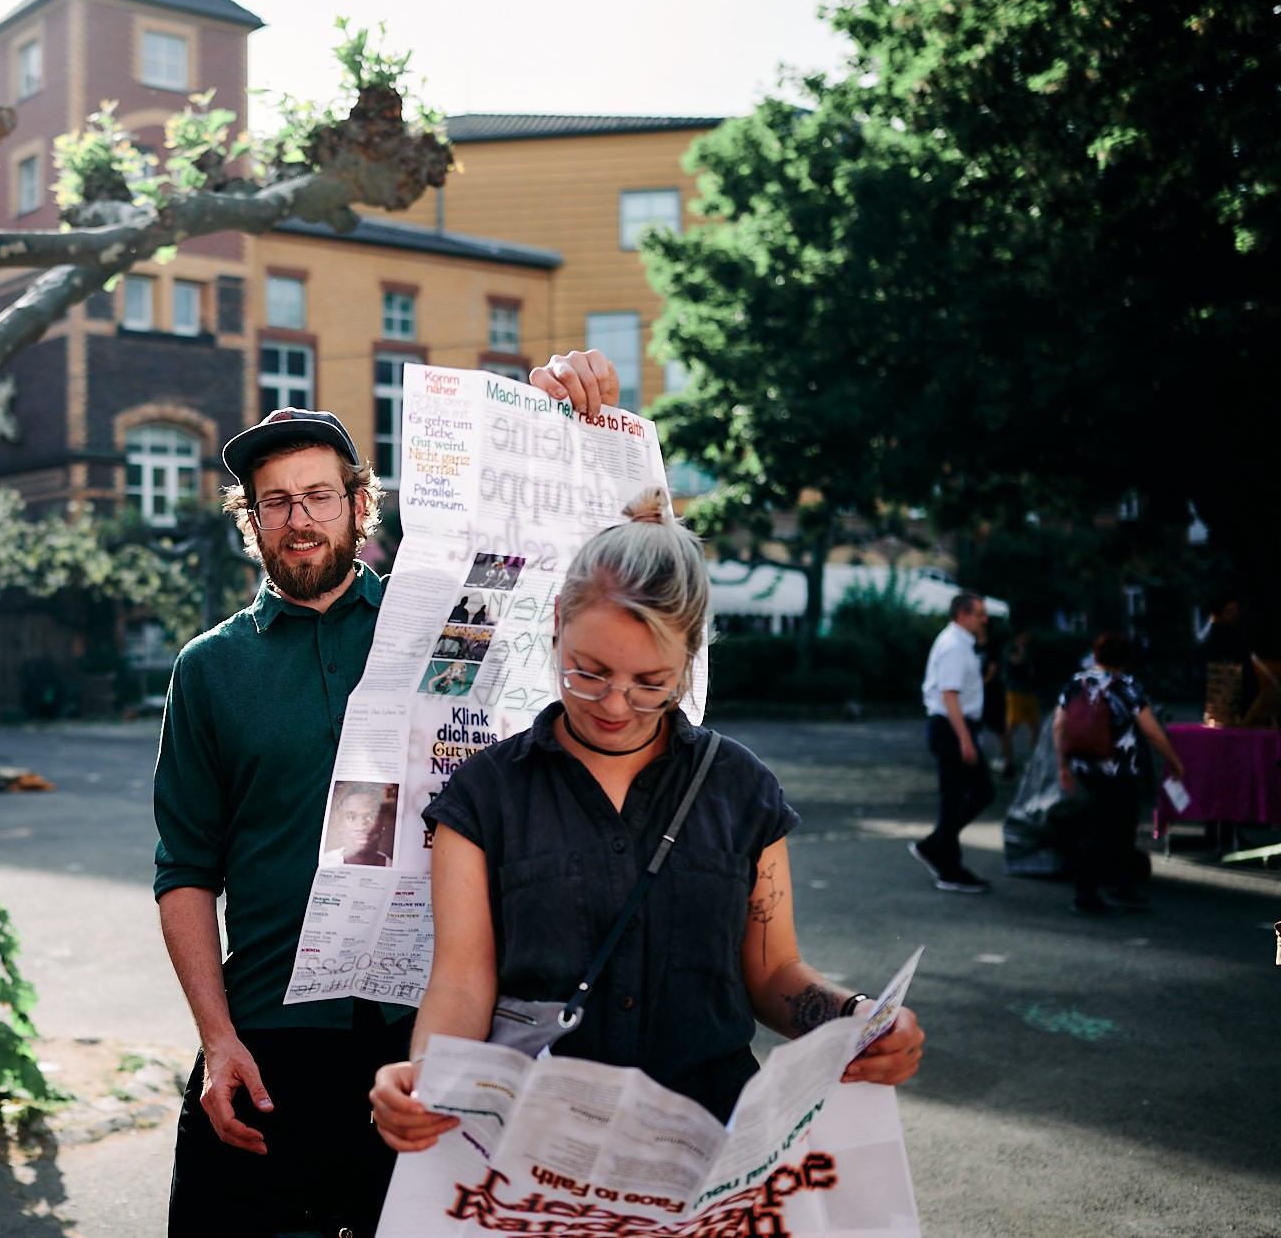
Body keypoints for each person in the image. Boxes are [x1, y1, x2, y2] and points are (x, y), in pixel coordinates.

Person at [152, 350, 620, 1238]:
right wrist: (217, 1039)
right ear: (250, 522)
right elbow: (184, 869)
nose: (299, 520)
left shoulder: (443, 624)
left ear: (360, 504)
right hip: (268, 1033)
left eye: (320, 495)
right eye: (275, 502)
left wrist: (557, 416)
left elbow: (566, 576)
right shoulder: (209, 669)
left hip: (424, 1030)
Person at [368, 492, 925, 1147]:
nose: (615, 703)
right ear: (555, 622)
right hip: (531, 1149)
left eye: (652, 681)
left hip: (712, 1146)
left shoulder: (741, 788)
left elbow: (773, 975)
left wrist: (858, 1019)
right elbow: (462, 982)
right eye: (589, 670)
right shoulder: (486, 793)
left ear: (690, 656)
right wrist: (424, 1081)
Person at [1055, 633, 1185, 916]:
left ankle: (1101, 887)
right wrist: (1174, 761)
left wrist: (1063, 765)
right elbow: (1151, 731)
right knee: (1117, 829)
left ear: (1096, 654)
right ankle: (1103, 889)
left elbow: (1059, 726)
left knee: (1102, 825)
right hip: (1120, 769)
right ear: (1126, 659)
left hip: (1086, 766)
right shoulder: (1127, 686)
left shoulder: (1077, 682)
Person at [911, 592, 996, 893]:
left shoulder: (962, 644)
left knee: (964, 794)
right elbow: (949, 695)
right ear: (962, 615)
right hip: (951, 727)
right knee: (968, 793)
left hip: (954, 726)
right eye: (979, 614)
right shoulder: (955, 646)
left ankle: (941, 851)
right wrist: (965, 739)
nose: (984, 619)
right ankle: (945, 861)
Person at [998, 628, 1040, 778]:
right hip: (1015, 690)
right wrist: (1021, 647)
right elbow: (1016, 661)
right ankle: (1004, 755)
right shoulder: (1011, 648)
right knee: (1012, 724)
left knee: (1035, 724)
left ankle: (1033, 757)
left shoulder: (1030, 649)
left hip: (1029, 691)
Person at [321, 785, 394, 867]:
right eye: (351, 817)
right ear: (340, 823)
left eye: (371, 816)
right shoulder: (324, 862)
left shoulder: (394, 865)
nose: (361, 826)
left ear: (382, 823)